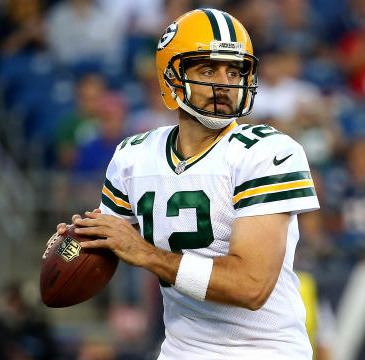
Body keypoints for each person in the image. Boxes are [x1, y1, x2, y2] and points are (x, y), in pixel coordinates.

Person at [55, 8, 319, 359]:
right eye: (208, 69)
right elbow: (108, 242)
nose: (224, 82)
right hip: (180, 351)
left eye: (234, 70)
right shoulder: (134, 155)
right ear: (171, 78)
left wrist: (146, 254)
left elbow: (251, 286)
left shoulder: (267, 151)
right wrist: (74, 245)